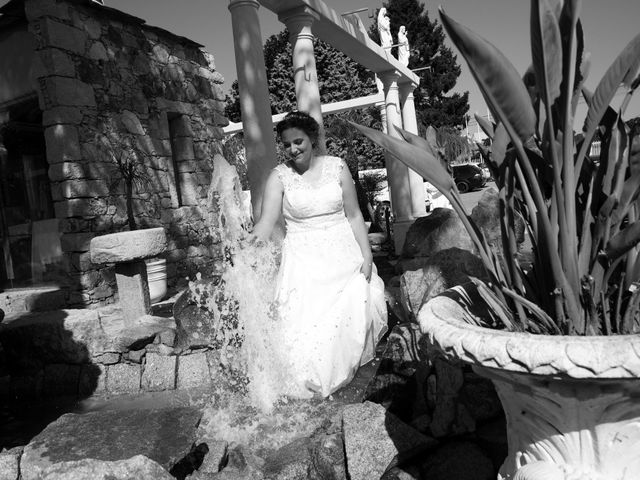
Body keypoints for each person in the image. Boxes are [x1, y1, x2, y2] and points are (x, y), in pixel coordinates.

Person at [250, 111, 387, 399]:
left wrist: (367, 255)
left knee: (344, 317)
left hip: (343, 257)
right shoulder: (279, 177)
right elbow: (266, 222)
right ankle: (303, 379)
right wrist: (247, 243)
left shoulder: (337, 168)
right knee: (303, 326)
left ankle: (327, 375)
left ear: (312, 139)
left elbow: (353, 214)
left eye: (298, 141)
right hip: (303, 263)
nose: (293, 149)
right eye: (286, 145)